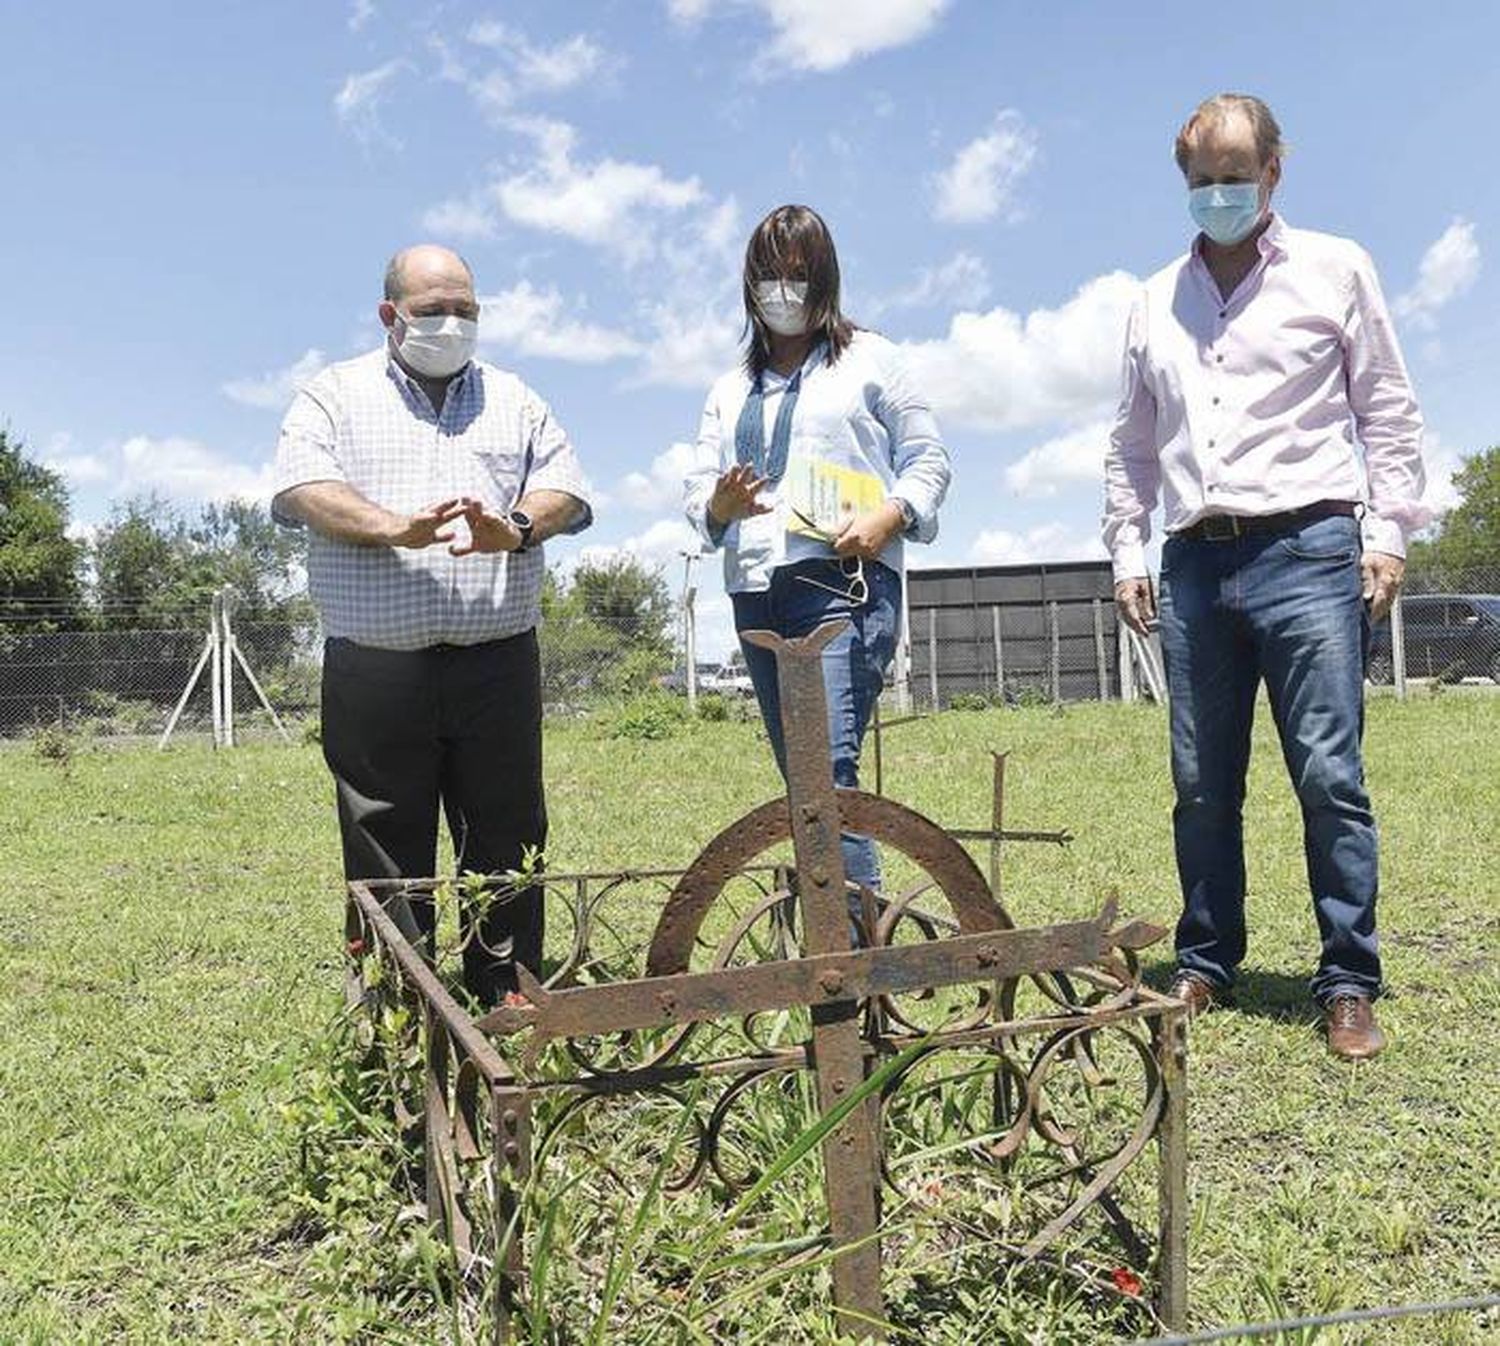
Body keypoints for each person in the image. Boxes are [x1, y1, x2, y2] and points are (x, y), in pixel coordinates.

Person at [1103, 95, 1427, 1059]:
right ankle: (1206, 958)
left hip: (1311, 549)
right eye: (1201, 181)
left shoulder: (1337, 269)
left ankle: (1347, 977)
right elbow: (1131, 446)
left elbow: (1388, 409)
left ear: (1275, 171)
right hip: (1196, 560)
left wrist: (1391, 533)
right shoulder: (1152, 299)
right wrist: (1129, 547)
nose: (1218, 195)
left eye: (1234, 176)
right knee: (1202, 779)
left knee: (1328, 773)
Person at [272, 243, 593, 1005]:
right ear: (391, 315)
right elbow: (303, 487)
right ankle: (397, 1010)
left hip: (496, 661)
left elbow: (568, 494)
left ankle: (505, 995)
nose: (452, 323)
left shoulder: (515, 398)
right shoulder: (334, 395)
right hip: (376, 668)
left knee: (509, 835)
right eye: (433, 311)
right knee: (384, 842)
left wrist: (514, 526)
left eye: (466, 311)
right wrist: (392, 528)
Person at [683, 204, 951, 932]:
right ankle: (836, 941)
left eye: (797, 275)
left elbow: (928, 460)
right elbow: (696, 507)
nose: (783, 289)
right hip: (756, 594)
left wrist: (889, 517)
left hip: (841, 581)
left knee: (827, 777)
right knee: (804, 781)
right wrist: (720, 504)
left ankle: (852, 959)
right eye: (769, 275)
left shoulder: (873, 360)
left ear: (824, 279)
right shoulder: (728, 389)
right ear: (749, 285)